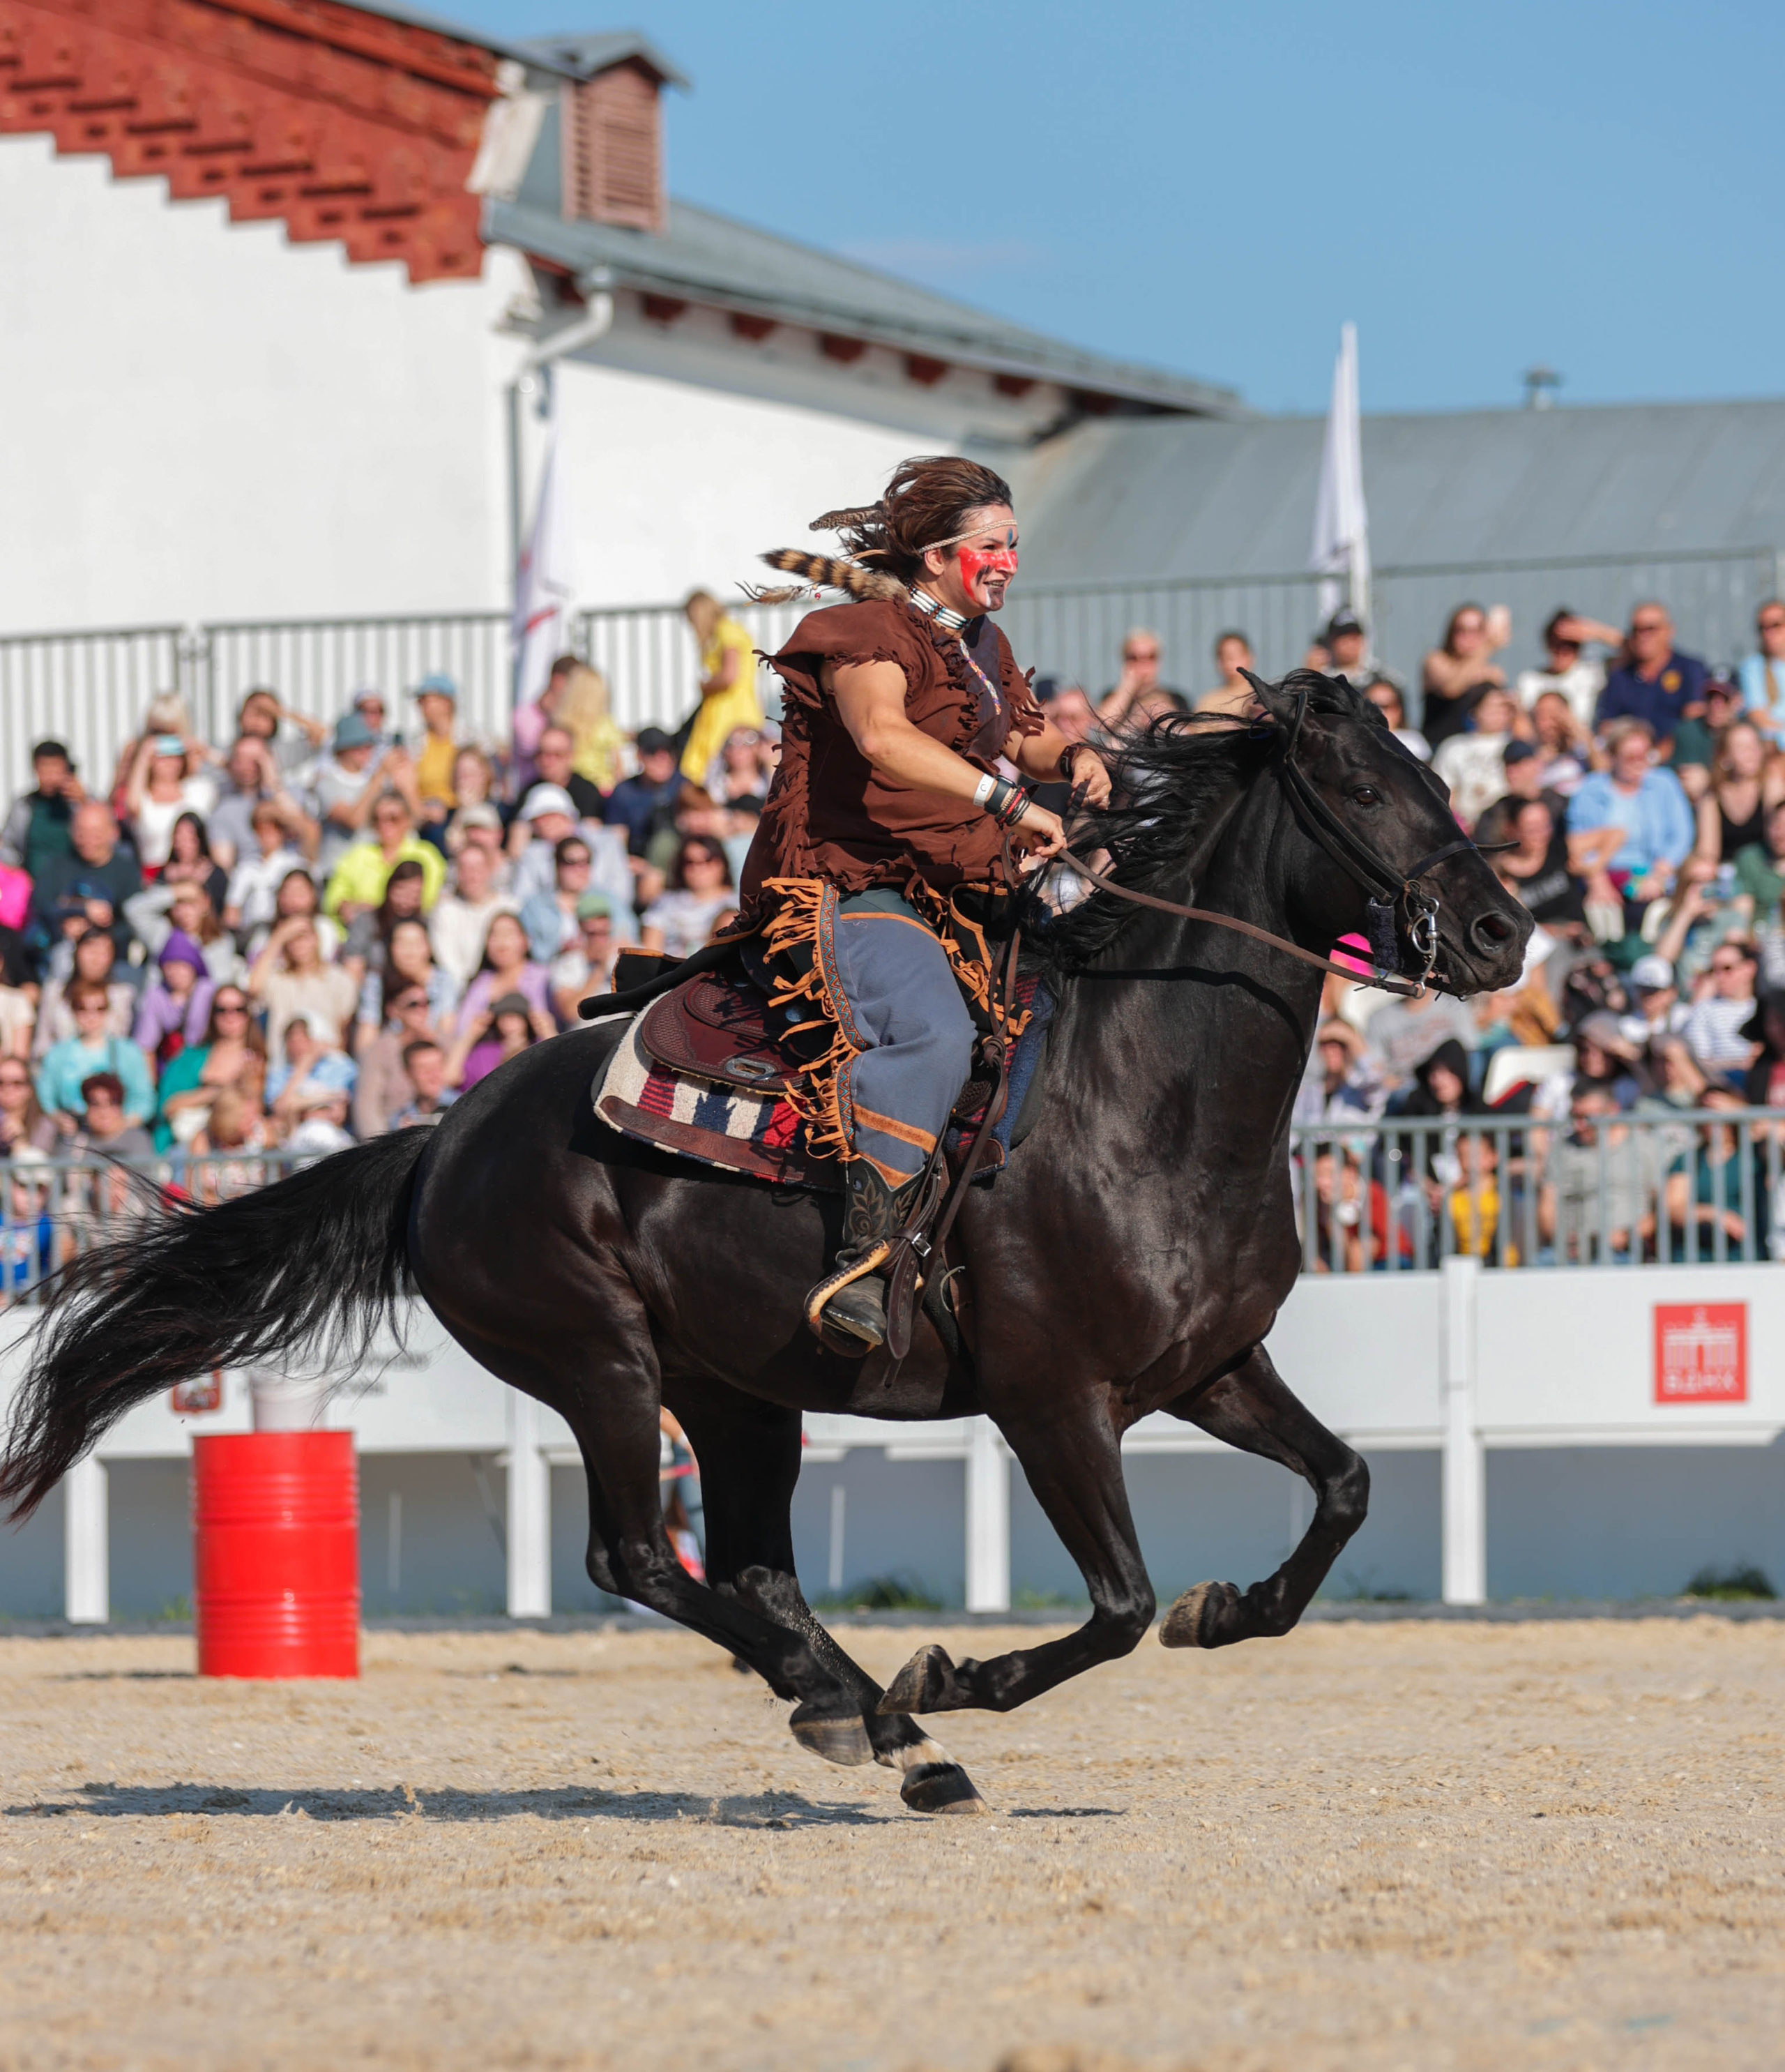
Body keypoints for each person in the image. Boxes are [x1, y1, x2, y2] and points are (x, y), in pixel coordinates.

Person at [745, 453, 1109, 1349]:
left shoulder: (983, 646)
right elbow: (882, 736)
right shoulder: (860, 629)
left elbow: (1019, 733)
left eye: (1014, 544)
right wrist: (1012, 804)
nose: (1010, 561)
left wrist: (1069, 759)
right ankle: (860, 1266)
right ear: (940, 556)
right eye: (993, 545)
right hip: (852, 882)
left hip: (962, 887)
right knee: (934, 1037)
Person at [1567, 720, 1695, 936]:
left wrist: (1659, 874)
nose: (1639, 763)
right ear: (1613, 757)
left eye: (1644, 756)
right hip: (1604, 875)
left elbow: (1682, 835)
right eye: (1630, 758)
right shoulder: (1590, 789)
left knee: (1652, 917)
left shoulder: (1664, 784)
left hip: (1653, 874)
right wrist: (1597, 880)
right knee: (1601, 918)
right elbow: (1579, 841)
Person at [1540, 1082, 1659, 1264]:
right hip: (1570, 1253)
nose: (1579, 1125)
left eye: (1587, 1117)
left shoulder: (1646, 1147)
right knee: (1540, 1265)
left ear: (1613, 1110)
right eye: (1574, 1117)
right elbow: (1548, 1205)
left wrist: (1627, 1236)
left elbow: (1662, 1208)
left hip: (1627, 1251)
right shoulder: (1562, 1150)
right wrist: (1562, 1237)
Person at [303, 711, 416, 878]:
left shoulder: (376, 781)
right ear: (343, 749)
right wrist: (380, 775)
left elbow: (411, 820)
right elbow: (354, 820)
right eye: (359, 747)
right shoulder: (326, 782)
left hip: (371, 873)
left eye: (369, 745)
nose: (367, 752)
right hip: (338, 873)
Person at [152, 985, 266, 1151]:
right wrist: (216, 1093)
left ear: (248, 1015)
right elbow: (168, 1106)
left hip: (238, 1144)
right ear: (212, 1014)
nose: (230, 1016)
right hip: (190, 1145)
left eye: (238, 1010)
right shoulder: (190, 1058)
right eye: (222, 1010)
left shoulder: (257, 1059)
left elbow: (256, 1111)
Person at [29, 801, 142, 966]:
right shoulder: (56, 865)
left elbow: (133, 920)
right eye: (81, 832)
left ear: (113, 832)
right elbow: (41, 904)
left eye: (96, 833)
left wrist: (97, 937)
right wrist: (73, 916)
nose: (88, 840)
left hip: (111, 963)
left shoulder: (126, 870)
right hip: (59, 959)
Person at [37, 979, 155, 1130]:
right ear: (73, 1011)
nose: (91, 1016)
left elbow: (144, 1097)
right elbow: (45, 1097)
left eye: (99, 1008)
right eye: (83, 1008)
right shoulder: (57, 1054)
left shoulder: (128, 1052)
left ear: (108, 1010)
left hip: (118, 1134)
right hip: (74, 1133)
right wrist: (57, 1119)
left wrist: (123, 1124)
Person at [681, 590, 766, 786]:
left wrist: (706, 684)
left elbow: (729, 675)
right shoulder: (729, 630)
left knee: (720, 767)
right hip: (728, 709)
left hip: (730, 712)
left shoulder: (726, 631)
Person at [1595, 602, 1708, 749]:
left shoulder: (1689, 669)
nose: (1643, 636)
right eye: (1637, 630)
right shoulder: (1620, 676)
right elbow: (1607, 725)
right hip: (1631, 759)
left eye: (1650, 629)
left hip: (1677, 760)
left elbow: (1694, 719)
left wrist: (1661, 753)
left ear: (1669, 631)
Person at [323, 789, 445, 921]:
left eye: (393, 818)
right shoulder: (358, 855)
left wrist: (379, 910)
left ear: (408, 820)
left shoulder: (427, 855)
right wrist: (345, 906)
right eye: (377, 819)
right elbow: (334, 897)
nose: (384, 824)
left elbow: (429, 900)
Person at [248, 916, 359, 1059]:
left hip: (326, 1064)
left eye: (304, 937)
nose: (298, 944)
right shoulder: (278, 978)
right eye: (292, 939)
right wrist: (278, 938)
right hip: (284, 1065)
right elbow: (253, 989)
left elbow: (344, 1028)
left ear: (317, 939)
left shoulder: (339, 979)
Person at [1692, 720, 1783, 876]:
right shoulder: (1713, 796)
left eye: (1755, 745)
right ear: (1725, 757)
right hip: (1726, 874)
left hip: (1764, 870)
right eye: (1742, 748)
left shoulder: (1771, 785)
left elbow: (1781, 834)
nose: (1752, 752)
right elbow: (1707, 852)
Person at [1431, 686, 1529, 832]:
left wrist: (1519, 712)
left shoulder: (1515, 744)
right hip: (1465, 827)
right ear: (1474, 711)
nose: (1497, 713)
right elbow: (1445, 793)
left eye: (1503, 707)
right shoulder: (1453, 746)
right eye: (1490, 707)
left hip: (1506, 825)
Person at [33, 927, 137, 1061]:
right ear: (77, 952)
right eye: (91, 951)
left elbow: (122, 1045)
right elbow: (42, 1045)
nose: (96, 959)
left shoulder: (123, 996)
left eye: (104, 952)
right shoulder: (54, 994)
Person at [351, 981, 439, 1137]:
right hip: (393, 1136)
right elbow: (366, 1107)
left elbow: (455, 1080)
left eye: (427, 1003)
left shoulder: (440, 1041)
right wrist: (380, 1148)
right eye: (414, 1005)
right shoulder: (380, 1050)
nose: (422, 1009)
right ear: (394, 1011)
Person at [123, 732, 216, 875]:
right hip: (156, 876)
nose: (170, 762)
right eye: (162, 757)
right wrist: (144, 753)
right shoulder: (144, 800)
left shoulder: (199, 790)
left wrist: (200, 748)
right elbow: (131, 804)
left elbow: (233, 772)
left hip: (199, 874)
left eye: (176, 756)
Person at [1420, 603, 1509, 750]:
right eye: (1461, 630)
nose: (1468, 637)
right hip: (1438, 750)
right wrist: (1489, 646)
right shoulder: (1436, 660)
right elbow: (1451, 688)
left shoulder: (1492, 672)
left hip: (1475, 753)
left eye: (1476, 630)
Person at [1514, 610, 1622, 732]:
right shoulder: (1530, 680)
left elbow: (1634, 652)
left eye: (1570, 644)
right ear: (1547, 643)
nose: (1563, 650)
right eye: (1557, 643)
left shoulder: (1594, 671)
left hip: (1583, 745)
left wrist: (1596, 632)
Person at [430, 840, 515, 990]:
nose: (471, 875)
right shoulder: (445, 911)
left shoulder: (510, 907)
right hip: (461, 990)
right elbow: (448, 962)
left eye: (477, 868)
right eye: (464, 868)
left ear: (490, 869)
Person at [222, 801, 310, 944]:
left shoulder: (295, 864)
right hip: (252, 933)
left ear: (282, 832)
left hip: (285, 928)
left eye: (272, 829)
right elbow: (232, 910)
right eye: (261, 830)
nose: (266, 835)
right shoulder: (246, 868)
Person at [1494, 799, 1588, 933]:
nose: (1541, 834)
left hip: (1581, 939)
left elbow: (1615, 833)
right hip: (1542, 946)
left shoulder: (1558, 849)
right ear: (1511, 829)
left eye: (1545, 826)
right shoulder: (1500, 873)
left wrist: (1596, 878)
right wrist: (1558, 931)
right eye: (1532, 828)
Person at [1681, 937, 1760, 1085]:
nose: (1719, 977)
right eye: (1714, 970)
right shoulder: (1704, 1009)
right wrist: (1739, 1064)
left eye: (1727, 968)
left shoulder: (1766, 1009)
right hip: (1718, 1086)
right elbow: (1697, 1062)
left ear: (1749, 969)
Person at [131, 931, 215, 1071]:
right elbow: (145, 1046)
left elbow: (196, 1040)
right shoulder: (156, 995)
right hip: (168, 1067)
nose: (175, 972)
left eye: (182, 966)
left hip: (204, 1063)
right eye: (169, 966)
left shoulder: (206, 991)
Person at [603, 726, 683, 872]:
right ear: (640, 755)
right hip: (638, 868)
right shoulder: (624, 792)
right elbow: (616, 842)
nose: (662, 758)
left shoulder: (686, 787)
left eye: (668, 751)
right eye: (652, 752)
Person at [456, 910, 552, 1032]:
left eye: (509, 934)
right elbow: (462, 1030)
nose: (501, 942)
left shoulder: (544, 978)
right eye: (495, 935)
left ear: (526, 940)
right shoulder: (479, 984)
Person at [1, 739, 82, 884]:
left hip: (75, 883)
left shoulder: (78, 803)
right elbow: (9, 845)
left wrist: (84, 803)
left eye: (55, 768)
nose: (50, 775)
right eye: (45, 768)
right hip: (34, 885)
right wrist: (18, 876)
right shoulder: (23, 806)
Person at [640, 837, 736, 958]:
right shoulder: (665, 902)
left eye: (707, 860)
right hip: (670, 971)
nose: (697, 868)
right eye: (689, 862)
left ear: (721, 864)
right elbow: (650, 949)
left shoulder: (737, 904)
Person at [444, 988, 548, 1092]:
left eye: (515, 1017)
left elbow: (562, 1069)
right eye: (503, 1018)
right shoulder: (484, 1054)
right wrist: (470, 1035)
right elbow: (451, 1077)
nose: (509, 1023)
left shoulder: (539, 1048)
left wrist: (547, 1031)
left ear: (526, 1021)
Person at [554, 663, 628, 797]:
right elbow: (618, 768)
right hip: (602, 790)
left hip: (567, 788)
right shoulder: (606, 725)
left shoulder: (559, 723)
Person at [1097, 627, 1184, 735]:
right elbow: (1101, 726)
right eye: (1134, 657)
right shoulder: (1113, 696)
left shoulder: (1176, 698)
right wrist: (1127, 687)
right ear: (1125, 661)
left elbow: (1187, 736)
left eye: (1150, 657)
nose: (1143, 663)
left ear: (1159, 662)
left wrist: (1163, 711)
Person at [549, 895, 618, 1024]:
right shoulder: (567, 963)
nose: (599, 941)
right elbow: (569, 1013)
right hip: (585, 1038)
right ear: (581, 929)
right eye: (593, 934)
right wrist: (600, 971)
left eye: (604, 933)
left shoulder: (622, 958)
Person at [409, 674, 461, 829]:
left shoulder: (471, 741)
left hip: (460, 813)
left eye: (425, 700)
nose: (420, 706)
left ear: (446, 703)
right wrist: (422, 810)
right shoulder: (414, 743)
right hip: (424, 817)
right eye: (419, 701)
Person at [67, 1071, 155, 1162]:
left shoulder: (138, 1140)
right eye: (95, 1104)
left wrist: (125, 1176)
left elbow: (146, 1174)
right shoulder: (74, 1143)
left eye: (112, 1103)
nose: (104, 1112)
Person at [1738, 600, 1785, 743]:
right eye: (1762, 627)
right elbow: (1758, 718)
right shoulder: (1752, 667)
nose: (1768, 633)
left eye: (1775, 625)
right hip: (1774, 748)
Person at [390, 1038, 457, 1128]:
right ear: (408, 1073)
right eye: (425, 1071)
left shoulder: (463, 1108)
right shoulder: (400, 1119)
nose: (434, 1077)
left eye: (438, 1068)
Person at [1361, 679, 1430, 762]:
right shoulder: (1354, 740)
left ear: (1398, 710)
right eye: (1370, 706)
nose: (1378, 712)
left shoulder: (1413, 741)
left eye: (1384, 706)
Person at [0, 1057, 56, 1156]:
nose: (8, 1089)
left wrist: (20, 1141)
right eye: (1, 1083)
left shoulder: (44, 1126)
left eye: (17, 1083)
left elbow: (40, 1169)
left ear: (29, 1088)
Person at [1196, 631, 1257, 717]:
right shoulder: (1209, 702)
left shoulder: (1264, 699)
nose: (1229, 664)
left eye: (1233, 657)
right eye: (1223, 658)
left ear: (1250, 658)